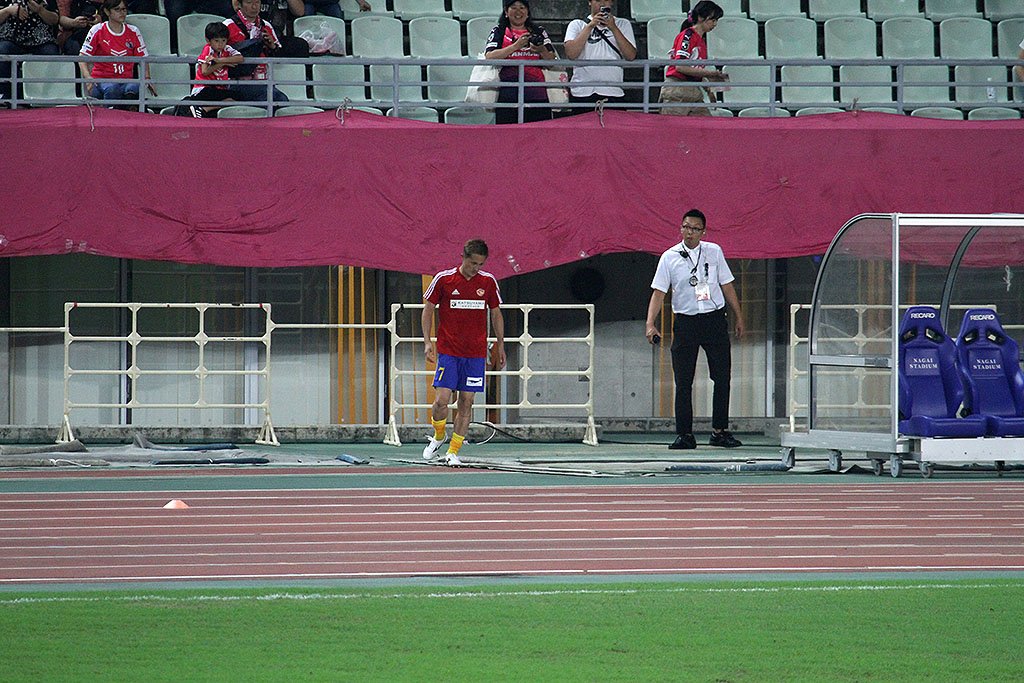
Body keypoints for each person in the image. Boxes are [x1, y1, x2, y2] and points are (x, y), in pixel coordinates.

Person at [646, 208, 744, 450]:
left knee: (722, 377)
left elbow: (727, 285)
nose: (689, 232)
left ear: (703, 232)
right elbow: (659, 293)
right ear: (680, 228)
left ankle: (719, 431)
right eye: (686, 227)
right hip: (686, 322)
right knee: (683, 380)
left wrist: (739, 316)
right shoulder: (669, 257)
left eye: (695, 229)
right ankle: (685, 434)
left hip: (714, 320)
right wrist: (650, 323)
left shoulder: (714, 251)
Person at [421, 239, 506, 467]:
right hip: (449, 351)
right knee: (441, 401)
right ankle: (439, 435)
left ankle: (453, 451)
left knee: (466, 402)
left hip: (475, 354)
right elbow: (428, 310)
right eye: (472, 263)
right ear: (463, 257)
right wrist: (428, 342)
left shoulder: (488, 282)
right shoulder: (444, 279)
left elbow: (496, 313)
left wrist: (501, 344)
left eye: (480, 264)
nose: (475, 268)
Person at [484, 0, 556, 125]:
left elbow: (551, 59)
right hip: (508, 93)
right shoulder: (499, 30)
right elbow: (489, 56)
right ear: (506, 12)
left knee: (539, 133)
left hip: (537, 93)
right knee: (508, 133)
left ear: (528, 12)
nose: (518, 12)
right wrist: (515, 46)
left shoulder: (538, 31)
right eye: (514, 8)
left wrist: (541, 50)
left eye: (522, 8)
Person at [78, 0, 155, 106]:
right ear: (107, 11)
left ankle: (128, 114)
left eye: (124, 9)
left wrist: (147, 78)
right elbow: (82, 57)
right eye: (117, 9)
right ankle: (108, 115)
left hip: (126, 80)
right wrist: (88, 78)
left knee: (134, 87)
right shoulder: (97, 30)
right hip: (101, 81)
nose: (122, 13)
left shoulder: (133, 31)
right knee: (112, 88)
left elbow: (143, 58)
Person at [562, 0, 636, 111]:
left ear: (611, 2)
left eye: (606, 0)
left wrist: (613, 28)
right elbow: (571, 54)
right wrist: (590, 26)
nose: (602, 4)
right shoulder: (577, 24)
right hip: (582, 92)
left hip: (613, 91)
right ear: (590, 2)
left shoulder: (623, 24)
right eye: (598, 0)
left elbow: (630, 55)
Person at [659, 0, 728, 116]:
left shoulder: (701, 41)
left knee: (706, 125)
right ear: (701, 18)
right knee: (674, 126)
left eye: (716, 20)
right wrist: (710, 74)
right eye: (713, 20)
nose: (715, 24)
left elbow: (695, 70)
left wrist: (708, 90)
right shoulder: (688, 36)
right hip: (677, 90)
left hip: (694, 91)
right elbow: (680, 67)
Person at [224, 0, 288, 105]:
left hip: (263, 81)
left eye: (257, 2)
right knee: (278, 99)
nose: (254, 7)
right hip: (235, 82)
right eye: (249, 2)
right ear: (239, 4)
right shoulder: (228, 25)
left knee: (277, 100)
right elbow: (216, 53)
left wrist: (272, 46)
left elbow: (279, 57)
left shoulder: (266, 25)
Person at [0, 0, 60, 103]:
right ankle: (7, 93)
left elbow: (55, 20)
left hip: (41, 39)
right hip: (11, 38)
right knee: (2, 50)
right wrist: (8, 10)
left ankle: (44, 94)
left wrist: (40, 10)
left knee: (51, 53)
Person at [184, 21, 244, 117]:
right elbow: (205, 71)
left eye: (223, 40)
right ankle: (199, 107)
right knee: (231, 96)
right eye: (216, 41)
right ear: (208, 40)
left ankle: (203, 109)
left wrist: (219, 60)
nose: (220, 44)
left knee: (237, 97)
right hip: (203, 89)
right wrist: (223, 63)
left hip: (218, 88)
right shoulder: (208, 49)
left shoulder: (227, 48)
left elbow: (240, 58)